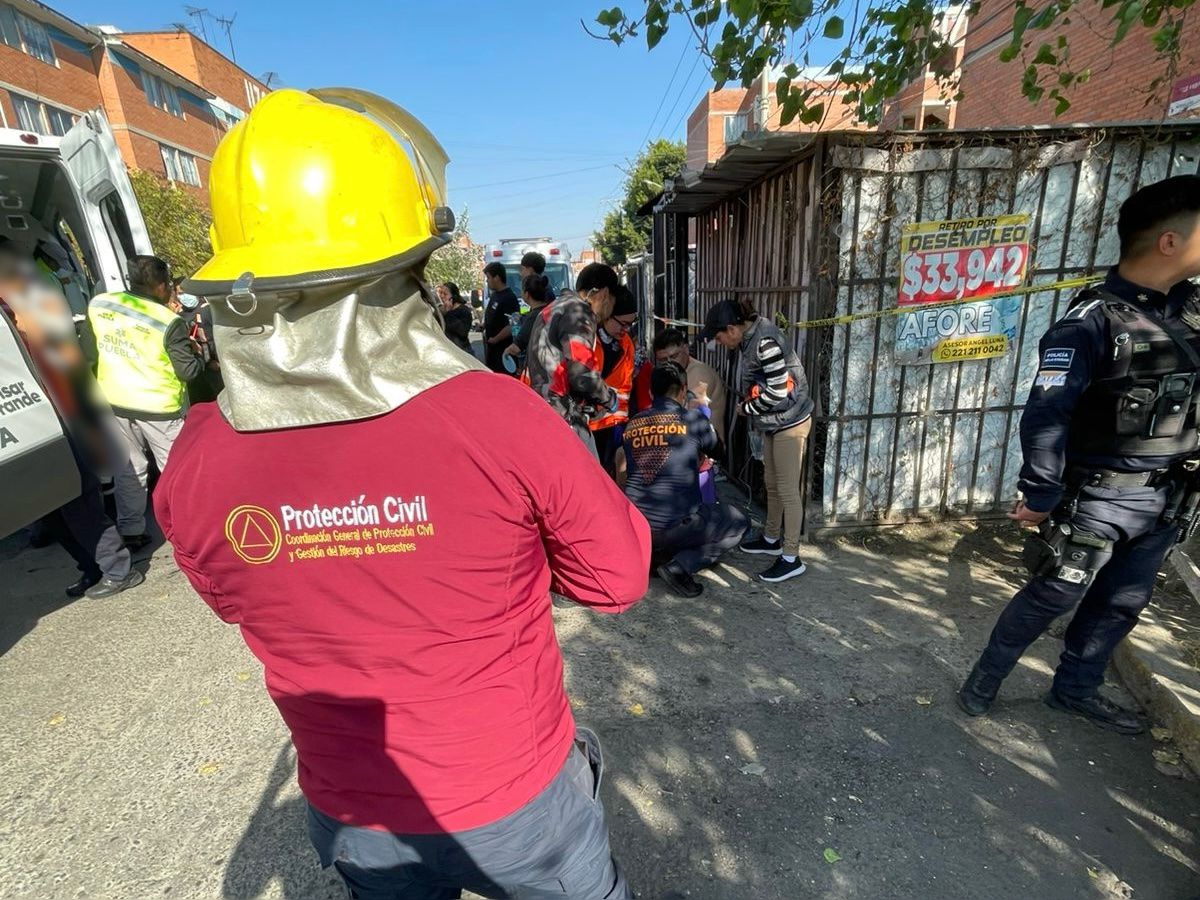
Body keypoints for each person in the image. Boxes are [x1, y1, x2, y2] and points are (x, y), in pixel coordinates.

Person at [154, 88, 648, 900]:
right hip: (519, 805)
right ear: (410, 266)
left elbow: (234, 599)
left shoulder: (197, 457)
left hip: (356, 816)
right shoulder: (499, 417)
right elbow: (617, 577)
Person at [958, 175, 1200, 735]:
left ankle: (1074, 690)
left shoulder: (1192, 311)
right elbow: (1048, 412)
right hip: (1099, 497)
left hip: (1168, 498)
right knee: (1054, 592)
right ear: (1169, 241)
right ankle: (984, 681)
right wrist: (1041, 491)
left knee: (1122, 602)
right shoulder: (1091, 322)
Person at [0, 253, 140, 598]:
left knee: (78, 498)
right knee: (47, 507)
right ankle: (91, 567)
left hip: (56, 416)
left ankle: (119, 569)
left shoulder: (23, 307)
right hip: (28, 423)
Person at [89, 254, 203, 550]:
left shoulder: (101, 305)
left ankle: (131, 530)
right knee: (177, 470)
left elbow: (91, 349)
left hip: (114, 401)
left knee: (129, 469)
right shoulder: (168, 322)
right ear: (161, 286)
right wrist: (199, 356)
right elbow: (188, 372)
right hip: (159, 407)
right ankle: (192, 529)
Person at [702, 298, 813, 584]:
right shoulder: (751, 337)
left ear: (732, 329)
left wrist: (747, 408)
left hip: (790, 422)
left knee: (788, 490)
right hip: (776, 422)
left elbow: (777, 392)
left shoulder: (765, 342)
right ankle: (771, 538)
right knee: (772, 483)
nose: (719, 343)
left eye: (719, 337)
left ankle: (791, 557)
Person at [616, 362, 748, 598]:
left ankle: (654, 558)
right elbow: (719, 451)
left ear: (650, 392)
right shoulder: (693, 420)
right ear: (683, 390)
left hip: (637, 527)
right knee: (740, 522)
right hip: (678, 525)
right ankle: (681, 565)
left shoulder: (632, 424)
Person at [525, 262, 619, 456]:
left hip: (543, 409)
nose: (608, 312)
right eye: (612, 302)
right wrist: (609, 399)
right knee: (589, 472)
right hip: (562, 415)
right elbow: (580, 372)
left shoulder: (558, 306)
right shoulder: (578, 312)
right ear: (604, 293)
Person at [590, 285, 638, 473]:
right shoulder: (587, 339)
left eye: (630, 324)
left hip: (613, 424)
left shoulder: (626, 344)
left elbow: (625, 387)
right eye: (623, 323)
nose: (626, 329)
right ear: (607, 314)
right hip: (587, 424)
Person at [654, 327, 729, 446]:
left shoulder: (699, 373)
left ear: (686, 349)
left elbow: (687, 415)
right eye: (663, 360)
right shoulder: (669, 376)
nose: (669, 363)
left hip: (706, 450)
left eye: (674, 356)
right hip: (683, 445)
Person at [505, 272, 552, 375]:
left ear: (526, 294)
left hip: (538, 370)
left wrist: (506, 352)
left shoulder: (533, 317)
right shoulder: (551, 310)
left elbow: (516, 348)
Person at [482, 261, 520, 373]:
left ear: (497, 278)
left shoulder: (509, 298)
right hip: (492, 350)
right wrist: (484, 325)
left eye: (488, 278)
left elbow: (512, 325)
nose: (487, 281)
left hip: (503, 350)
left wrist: (495, 339)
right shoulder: (495, 295)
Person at [437, 281, 474, 356]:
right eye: (441, 293)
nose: (442, 296)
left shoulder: (463, 310)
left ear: (453, 296)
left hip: (462, 351)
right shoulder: (441, 310)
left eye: (445, 294)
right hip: (447, 351)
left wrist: (449, 313)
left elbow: (463, 332)